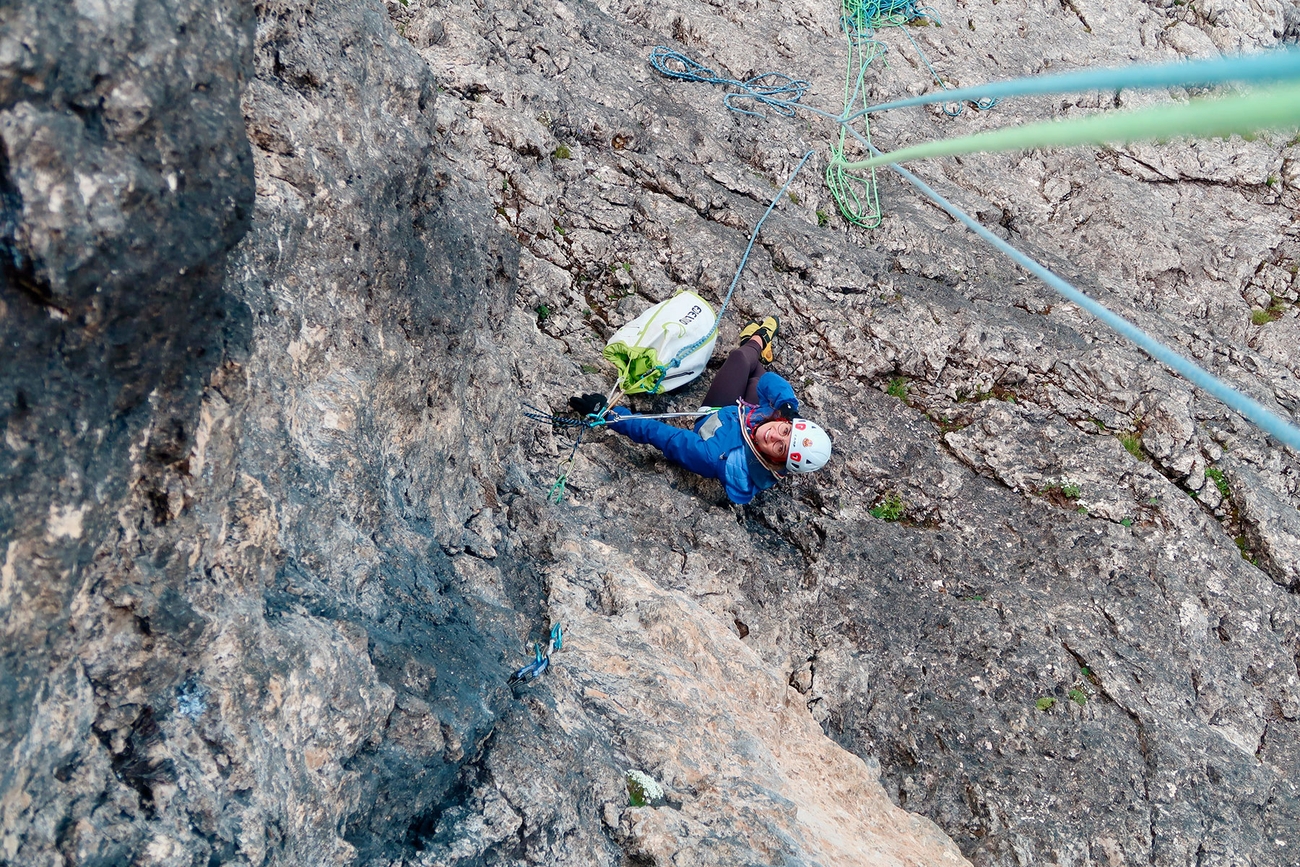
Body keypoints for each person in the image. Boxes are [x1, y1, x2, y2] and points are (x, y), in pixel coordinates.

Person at [571, 316, 832, 504]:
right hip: (746, 413)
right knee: (758, 376)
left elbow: (663, 435)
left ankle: (755, 342)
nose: (774, 435)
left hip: (718, 412)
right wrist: (788, 406)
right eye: (786, 429)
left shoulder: (714, 457)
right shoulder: (769, 420)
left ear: (776, 462)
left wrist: (610, 415)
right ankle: (758, 342)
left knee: (741, 360)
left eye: (779, 447)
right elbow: (769, 385)